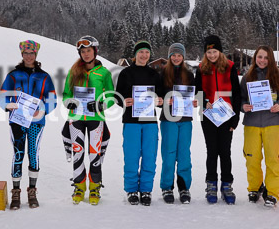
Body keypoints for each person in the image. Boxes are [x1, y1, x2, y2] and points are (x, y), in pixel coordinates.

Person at [0, 40, 57, 209]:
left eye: (32, 53)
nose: (29, 56)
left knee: (33, 153)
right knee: (18, 153)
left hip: (36, 122)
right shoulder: (13, 75)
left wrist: (43, 111)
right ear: (22, 54)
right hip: (17, 120)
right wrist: (8, 105)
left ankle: (32, 190)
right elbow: (2, 97)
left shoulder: (44, 76)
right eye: (26, 53)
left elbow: (52, 99)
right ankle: (16, 192)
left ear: (36, 55)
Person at [61, 36, 114, 205]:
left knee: (94, 154)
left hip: (96, 118)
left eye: (88, 51)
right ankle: (79, 186)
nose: (86, 54)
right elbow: (66, 94)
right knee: (78, 152)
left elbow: (112, 95)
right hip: (76, 118)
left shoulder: (104, 72)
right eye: (82, 51)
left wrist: (102, 105)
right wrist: (69, 102)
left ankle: (94, 187)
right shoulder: (73, 70)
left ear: (95, 52)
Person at [195, 35, 241, 204]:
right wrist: (204, 101)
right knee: (212, 151)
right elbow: (197, 91)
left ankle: (227, 185)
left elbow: (236, 94)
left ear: (220, 52)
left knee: (225, 152)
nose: (212, 55)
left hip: (226, 116)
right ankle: (211, 184)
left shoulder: (229, 67)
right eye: (209, 52)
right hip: (208, 116)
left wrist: (235, 118)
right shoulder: (201, 68)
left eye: (214, 51)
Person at [115, 40, 162, 206]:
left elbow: (161, 97)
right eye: (141, 52)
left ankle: (146, 190)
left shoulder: (154, 74)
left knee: (150, 156)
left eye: (147, 53)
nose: (144, 55)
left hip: (150, 121)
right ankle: (131, 190)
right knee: (132, 156)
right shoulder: (126, 73)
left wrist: (159, 100)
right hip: (131, 121)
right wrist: (123, 101)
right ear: (135, 55)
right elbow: (116, 96)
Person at [240, 46, 279, 207]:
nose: (262, 60)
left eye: (266, 58)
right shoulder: (247, 77)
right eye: (260, 57)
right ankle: (255, 187)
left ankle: (272, 192)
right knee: (252, 158)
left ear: (271, 59)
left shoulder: (277, 76)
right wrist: (244, 106)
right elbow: (241, 99)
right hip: (251, 123)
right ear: (255, 58)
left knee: (273, 159)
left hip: (271, 123)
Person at [159, 43, 198, 204]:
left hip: (185, 119)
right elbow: (157, 97)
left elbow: (195, 94)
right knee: (169, 154)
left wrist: (196, 102)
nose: (176, 58)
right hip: (169, 118)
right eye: (173, 55)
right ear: (169, 56)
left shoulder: (189, 75)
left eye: (179, 55)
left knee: (184, 154)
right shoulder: (162, 74)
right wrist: (163, 101)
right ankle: (167, 187)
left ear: (183, 57)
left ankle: (184, 187)